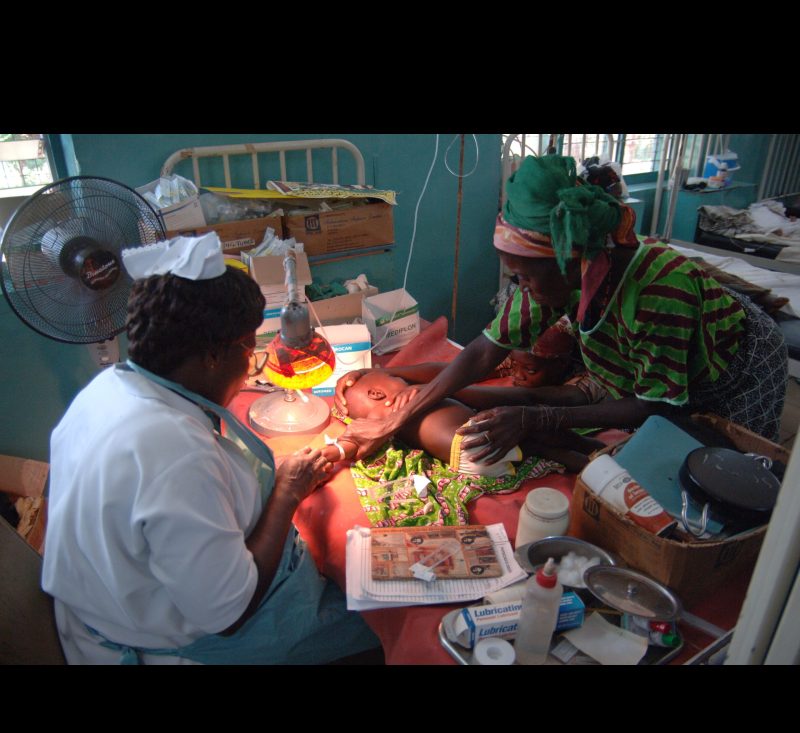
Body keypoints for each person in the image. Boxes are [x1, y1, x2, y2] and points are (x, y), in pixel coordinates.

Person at [42, 233, 380, 665]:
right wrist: (286, 493)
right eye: (249, 347)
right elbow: (229, 612)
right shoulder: (175, 453)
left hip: (112, 602)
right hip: (175, 644)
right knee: (379, 623)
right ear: (213, 357)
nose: (253, 363)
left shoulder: (109, 388)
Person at [336, 154, 788, 464]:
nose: (522, 290)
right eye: (516, 276)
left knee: (717, 467)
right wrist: (397, 417)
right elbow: (482, 352)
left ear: (573, 261)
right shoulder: (560, 276)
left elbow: (654, 405)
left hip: (734, 367)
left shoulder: (658, 295)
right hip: (646, 372)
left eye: (527, 277)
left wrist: (539, 421)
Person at [323, 369, 600, 473]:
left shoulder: (371, 420)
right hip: (476, 434)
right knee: (542, 440)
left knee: (537, 448)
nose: (405, 381)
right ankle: (590, 452)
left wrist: (331, 452)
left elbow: (350, 444)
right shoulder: (414, 395)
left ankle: (585, 454)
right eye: (397, 379)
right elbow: (440, 377)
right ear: (375, 392)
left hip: (462, 455)